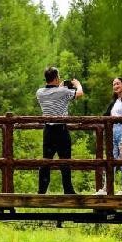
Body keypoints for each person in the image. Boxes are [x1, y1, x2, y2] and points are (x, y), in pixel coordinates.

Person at [36, 66, 84, 195]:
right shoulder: (63, 91)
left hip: (48, 130)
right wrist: (78, 85)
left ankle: (41, 191)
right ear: (56, 78)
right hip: (61, 130)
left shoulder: (39, 92)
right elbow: (79, 94)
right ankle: (68, 190)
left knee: (46, 160)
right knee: (65, 160)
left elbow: (53, 94)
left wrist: (60, 86)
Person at [100, 76, 122, 195]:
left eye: (118, 84)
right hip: (113, 131)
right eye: (114, 84)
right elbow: (105, 116)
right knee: (111, 159)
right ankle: (107, 187)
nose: (115, 86)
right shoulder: (114, 102)